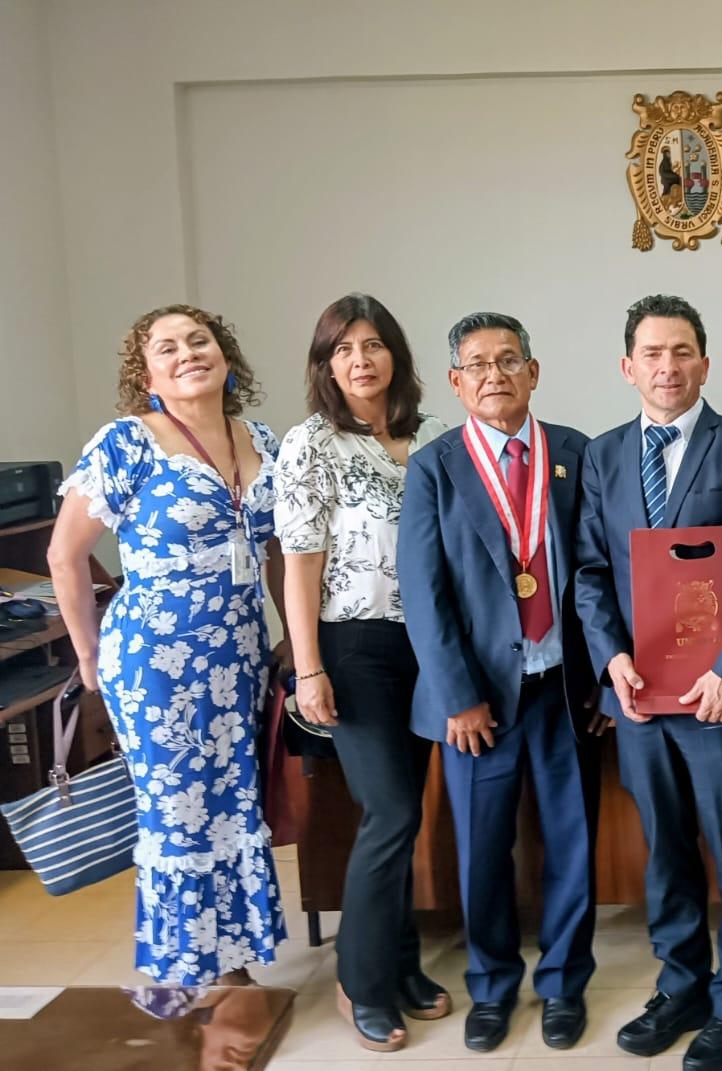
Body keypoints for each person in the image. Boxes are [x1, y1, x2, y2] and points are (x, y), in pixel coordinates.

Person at [574, 294, 722, 1071]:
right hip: (638, 695)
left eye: (682, 352)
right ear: (628, 365)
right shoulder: (602, 456)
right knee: (663, 844)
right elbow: (590, 571)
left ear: (704, 361)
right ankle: (684, 985)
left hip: (717, 696)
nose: (667, 367)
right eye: (652, 353)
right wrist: (610, 657)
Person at [47, 304, 289, 986]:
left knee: (236, 800)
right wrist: (90, 659)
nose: (187, 353)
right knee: (180, 810)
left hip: (238, 652)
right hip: (155, 660)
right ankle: (193, 964)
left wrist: (293, 638)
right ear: (146, 370)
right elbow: (64, 555)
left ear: (226, 355)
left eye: (199, 339)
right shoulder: (127, 442)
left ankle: (234, 953)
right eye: (167, 346)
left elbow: (274, 549)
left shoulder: (261, 437)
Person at [397, 312, 601, 1054]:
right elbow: (423, 591)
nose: (495, 374)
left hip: (563, 688)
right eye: (477, 364)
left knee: (572, 841)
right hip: (477, 702)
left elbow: (598, 574)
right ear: (456, 381)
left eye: (509, 360)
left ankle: (564, 983)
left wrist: (602, 681)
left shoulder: (576, 453)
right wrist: (457, 693)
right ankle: (490, 985)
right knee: (483, 849)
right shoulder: (435, 466)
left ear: (533, 371)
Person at [274, 294, 451, 1052]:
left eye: (373, 345)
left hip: (430, 648)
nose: (361, 361)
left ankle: (401, 962)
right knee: (390, 813)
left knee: (408, 805)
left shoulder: (434, 437)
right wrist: (308, 667)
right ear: (325, 366)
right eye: (343, 350)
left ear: (395, 356)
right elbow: (301, 565)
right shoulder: (311, 443)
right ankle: (360, 980)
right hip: (354, 647)